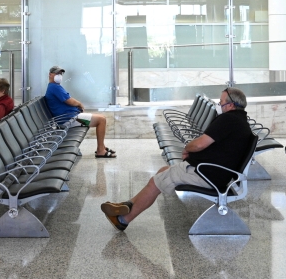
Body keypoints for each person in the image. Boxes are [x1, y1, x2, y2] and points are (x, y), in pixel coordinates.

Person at [100, 87, 255, 231]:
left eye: (221, 103)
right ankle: (128, 204)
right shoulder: (239, 121)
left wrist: (187, 148)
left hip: (207, 174)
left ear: (231, 105)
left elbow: (200, 144)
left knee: (157, 181)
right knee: (163, 171)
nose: (219, 105)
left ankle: (123, 219)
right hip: (213, 173)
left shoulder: (228, 120)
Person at [45, 66, 115, 158]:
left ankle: (102, 147)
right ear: (50, 74)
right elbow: (69, 101)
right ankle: (100, 151)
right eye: (57, 73)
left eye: (60, 74)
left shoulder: (54, 87)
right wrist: (79, 104)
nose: (59, 76)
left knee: (101, 118)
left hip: (70, 117)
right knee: (101, 120)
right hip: (69, 119)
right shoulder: (54, 87)